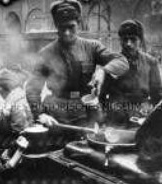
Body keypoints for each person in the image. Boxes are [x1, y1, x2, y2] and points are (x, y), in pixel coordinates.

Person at [26, 0, 129, 128]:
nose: (67, 32)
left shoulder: (92, 47)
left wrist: (103, 70)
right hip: (56, 117)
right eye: (62, 28)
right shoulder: (45, 54)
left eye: (71, 27)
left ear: (78, 24)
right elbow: (32, 89)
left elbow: (122, 61)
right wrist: (40, 115)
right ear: (56, 26)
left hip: (86, 115)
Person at [103, 19, 162, 127]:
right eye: (125, 39)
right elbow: (102, 95)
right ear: (120, 40)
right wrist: (103, 117)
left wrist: (150, 112)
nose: (128, 44)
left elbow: (157, 96)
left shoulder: (151, 62)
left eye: (133, 39)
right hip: (116, 119)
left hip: (141, 119)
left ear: (140, 40)